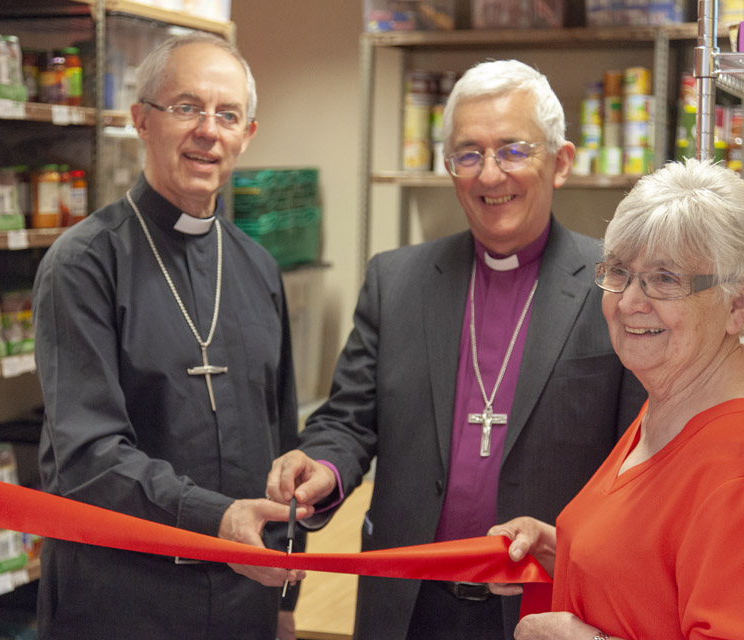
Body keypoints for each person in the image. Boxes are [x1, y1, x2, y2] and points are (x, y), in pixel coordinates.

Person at [266, 59, 646, 639]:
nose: (490, 175)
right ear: (449, 169)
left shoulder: (616, 287)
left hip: (546, 607)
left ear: (561, 162)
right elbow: (347, 420)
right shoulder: (397, 280)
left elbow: (637, 467)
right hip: (408, 606)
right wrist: (321, 468)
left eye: (514, 150)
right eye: (468, 155)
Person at [489, 159, 744, 640]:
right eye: (619, 272)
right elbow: (666, 556)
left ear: (738, 304)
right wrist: (566, 552)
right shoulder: (682, 385)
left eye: (666, 279)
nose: (630, 302)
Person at [32, 33, 308, 640]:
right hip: (122, 604)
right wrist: (216, 518)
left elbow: (281, 440)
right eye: (187, 108)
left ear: (247, 135)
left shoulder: (258, 267)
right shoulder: (82, 263)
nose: (209, 131)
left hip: (245, 602)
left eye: (227, 114)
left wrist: (288, 596)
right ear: (141, 121)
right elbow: (87, 459)